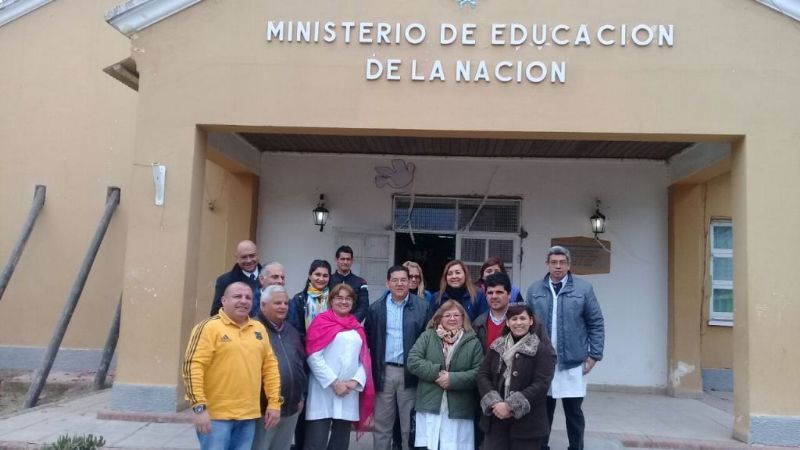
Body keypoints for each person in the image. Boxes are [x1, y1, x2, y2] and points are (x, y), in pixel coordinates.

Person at [184, 281, 282, 450]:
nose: (243, 301)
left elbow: (270, 367)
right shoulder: (208, 328)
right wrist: (199, 408)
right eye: (237, 296)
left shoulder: (258, 328)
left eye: (248, 297)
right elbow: (193, 366)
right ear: (224, 300)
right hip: (216, 416)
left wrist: (275, 403)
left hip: (248, 416)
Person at [526, 246, 605, 450]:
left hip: (573, 361)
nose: (558, 266)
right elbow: (527, 325)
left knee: (574, 412)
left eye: (562, 262)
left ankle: (576, 447)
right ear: (547, 264)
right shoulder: (535, 290)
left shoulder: (583, 289)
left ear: (569, 265)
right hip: (543, 361)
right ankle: (541, 446)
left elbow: (596, 323)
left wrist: (594, 355)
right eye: (554, 262)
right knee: (544, 410)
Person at [364, 266, 430, 450]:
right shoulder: (376, 308)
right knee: (382, 426)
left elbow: (429, 340)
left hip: (410, 372)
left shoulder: (422, 307)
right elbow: (368, 338)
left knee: (409, 426)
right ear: (388, 283)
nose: (400, 284)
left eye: (403, 280)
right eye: (395, 280)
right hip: (384, 372)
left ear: (410, 282)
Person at [304, 283, 375, 450]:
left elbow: (364, 360)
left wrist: (353, 382)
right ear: (331, 300)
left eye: (348, 298)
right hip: (324, 390)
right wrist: (335, 383)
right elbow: (313, 356)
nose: (344, 302)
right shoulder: (321, 322)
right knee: (316, 442)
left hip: (348, 392)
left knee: (340, 443)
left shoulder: (357, 327)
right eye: (339, 298)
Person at [406, 300, 484, 450]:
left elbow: (479, 372)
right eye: (447, 315)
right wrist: (436, 372)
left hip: (459, 409)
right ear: (440, 318)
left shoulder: (473, 342)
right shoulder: (428, 336)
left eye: (456, 315)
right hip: (430, 405)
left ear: (463, 318)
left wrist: (453, 379)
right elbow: (413, 361)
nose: (452, 318)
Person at [476, 304, 556, 449]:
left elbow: (541, 384)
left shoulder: (542, 350)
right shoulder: (496, 346)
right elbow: (483, 375)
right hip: (496, 419)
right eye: (514, 319)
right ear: (507, 322)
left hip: (528, 424)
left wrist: (510, 406)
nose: (518, 322)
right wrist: (495, 403)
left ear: (531, 321)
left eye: (522, 318)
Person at [253, 285, 307, 450]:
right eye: (277, 303)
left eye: (285, 303)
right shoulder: (252, 330)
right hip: (264, 410)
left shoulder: (291, 331)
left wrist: (300, 397)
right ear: (263, 305)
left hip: (291, 407)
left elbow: (300, 365)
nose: (283, 306)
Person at [210, 240, 263, 317]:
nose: (249, 260)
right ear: (237, 258)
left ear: (258, 255)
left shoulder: (272, 277)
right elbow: (216, 312)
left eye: (252, 256)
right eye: (244, 257)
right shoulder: (225, 281)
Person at [288, 259, 332, 343]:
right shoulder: (299, 299)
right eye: (317, 274)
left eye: (325, 276)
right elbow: (294, 329)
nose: (321, 278)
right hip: (305, 347)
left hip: (329, 347)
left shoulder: (334, 299)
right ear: (309, 276)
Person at [330, 245, 370, 321]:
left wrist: (350, 322)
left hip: (352, 325)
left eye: (348, 259)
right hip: (330, 323)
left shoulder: (361, 282)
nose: (345, 262)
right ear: (336, 260)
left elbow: (364, 307)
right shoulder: (328, 280)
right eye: (342, 259)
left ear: (352, 260)